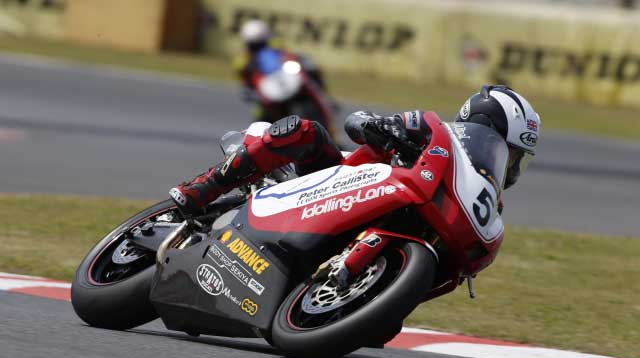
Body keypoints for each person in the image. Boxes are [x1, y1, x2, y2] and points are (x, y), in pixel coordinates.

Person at [170, 85, 541, 216]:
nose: (510, 166)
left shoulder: (482, 204)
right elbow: (356, 121)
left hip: (363, 222)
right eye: (509, 154)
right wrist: (378, 128)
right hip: (331, 183)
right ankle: (203, 187)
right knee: (306, 131)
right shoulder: (431, 131)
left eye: (516, 159)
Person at [234, 20, 327, 121]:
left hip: (286, 76)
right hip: (268, 88)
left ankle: (326, 102)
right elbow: (246, 81)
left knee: (310, 82)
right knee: (260, 117)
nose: (257, 46)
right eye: (254, 44)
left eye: (260, 42)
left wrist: (297, 60)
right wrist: (251, 91)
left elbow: (289, 55)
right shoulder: (243, 60)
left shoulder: (275, 44)